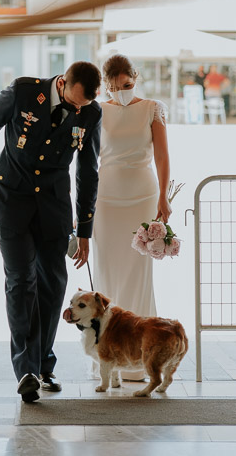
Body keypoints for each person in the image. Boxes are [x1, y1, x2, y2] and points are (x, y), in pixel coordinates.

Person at [0, 61, 102, 403]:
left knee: (54, 284)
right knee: (22, 283)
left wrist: (85, 230)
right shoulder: (22, 92)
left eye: (83, 107)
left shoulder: (92, 114)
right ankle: (27, 371)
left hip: (53, 207)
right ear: (62, 83)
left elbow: (88, 172)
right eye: (74, 102)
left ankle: (43, 363)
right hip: (11, 200)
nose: (78, 111)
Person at [92, 54, 172, 380]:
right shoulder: (96, 110)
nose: (119, 93)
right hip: (106, 201)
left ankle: (142, 355)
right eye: (112, 88)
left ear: (135, 78)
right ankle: (108, 357)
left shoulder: (152, 108)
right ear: (104, 86)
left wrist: (164, 197)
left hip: (142, 197)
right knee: (107, 274)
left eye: (125, 86)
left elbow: (163, 158)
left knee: (139, 274)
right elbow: (86, 159)